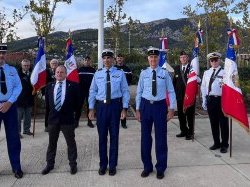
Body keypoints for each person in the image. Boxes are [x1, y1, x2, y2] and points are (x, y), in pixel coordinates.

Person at [136, 47, 176, 179]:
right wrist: (137, 109)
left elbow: (171, 91)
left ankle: (160, 167)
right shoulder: (143, 73)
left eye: (155, 57)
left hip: (160, 107)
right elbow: (139, 92)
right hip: (146, 107)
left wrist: (171, 109)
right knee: (145, 138)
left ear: (158, 58)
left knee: (161, 139)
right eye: (151, 57)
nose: (153, 59)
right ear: (148, 59)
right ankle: (147, 166)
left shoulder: (164, 73)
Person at [88, 49, 130, 176]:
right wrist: (91, 108)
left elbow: (125, 91)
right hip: (101, 107)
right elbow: (92, 92)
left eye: (109, 58)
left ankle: (112, 165)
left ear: (113, 59)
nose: (106, 60)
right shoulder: (97, 74)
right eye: (104, 58)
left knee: (114, 137)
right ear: (102, 60)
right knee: (102, 138)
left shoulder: (120, 73)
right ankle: (103, 165)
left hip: (115, 106)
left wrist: (124, 108)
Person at [41, 65, 80, 175]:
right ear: (55, 73)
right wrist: (46, 123)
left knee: (71, 144)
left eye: (61, 72)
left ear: (66, 74)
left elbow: (78, 104)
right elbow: (48, 107)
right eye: (57, 72)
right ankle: (49, 165)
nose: (59, 74)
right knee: (51, 144)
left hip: (67, 121)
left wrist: (75, 119)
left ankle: (73, 165)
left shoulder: (73, 86)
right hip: (53, 121)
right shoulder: (49, 86)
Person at [0, 44, 23, 178]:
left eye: (3, 53)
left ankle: (16, 167)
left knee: (13, 138)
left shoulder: (12, 70)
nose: (1, 55)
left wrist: (9, 102)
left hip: (10, 107)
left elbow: (18, 87)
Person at [201, 52, 229, 153]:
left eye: (216, 60)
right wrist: (204, 99)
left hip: (221, 100)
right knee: (213, 123)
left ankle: (224, 144)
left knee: (223, 123)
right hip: (211, 100)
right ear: (210, 61)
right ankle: (216, 143)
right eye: (212, 60)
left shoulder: (225, 72)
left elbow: (229, 87)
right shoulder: (206, 73)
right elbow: (203, 86)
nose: (214, 62)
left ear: (219, 60)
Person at [173, 51, 195, 140]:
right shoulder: (177, 68)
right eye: (181, 57)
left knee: (189, 115)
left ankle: (190, 132)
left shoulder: (192, 68)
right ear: (179, 59)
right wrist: (174, 93)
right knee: (181, 115)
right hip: (179, 96)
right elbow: (174, 82)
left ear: (188, 58)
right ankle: (183, 130)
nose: (183, 59)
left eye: (185, 57)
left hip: (188, 96)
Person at [75, 56, 96, 128]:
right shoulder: (79, 70)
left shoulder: (93, 70)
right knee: (78, 107)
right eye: (85, 60)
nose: (87, 61)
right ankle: (76, 122)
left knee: (90, 107)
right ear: (83, 61)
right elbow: (76, 81)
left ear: (90, 61)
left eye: (88, 60)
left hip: (90, 91)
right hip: (80, 91)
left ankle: (89, 122)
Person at [17, 59, 34, 138]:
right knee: (18, 118)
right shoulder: (17, 74)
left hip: (29, 99)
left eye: (28, 65)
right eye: (25, 65)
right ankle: (17, 132)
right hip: (19, 100)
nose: (26, 67)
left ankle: (26, 130)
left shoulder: (33, 74)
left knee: (28, 117)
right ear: (21, 65)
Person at [114, 53, 132, 129]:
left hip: (124, 91)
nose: (119, 59)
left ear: (123, 59)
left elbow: (130, 79)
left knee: (124, 106)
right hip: (116, 91)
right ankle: (115, 122)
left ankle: (123, 123)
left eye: (121, 58)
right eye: (118, 58)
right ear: (116, 59)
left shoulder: (127, 69)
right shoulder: (113, 68)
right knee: (115, 107)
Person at [44, 59, 59, 132]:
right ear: (50, 64)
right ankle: (47, 125)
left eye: (55, 63)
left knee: (57, 109)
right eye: (52, 63)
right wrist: (43, 93)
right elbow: (44, 82)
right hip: (49, 93)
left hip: (58, 93)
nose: (54, 64)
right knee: (48, 109)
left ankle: (57, 124)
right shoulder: (47, 71)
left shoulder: (59, 72)